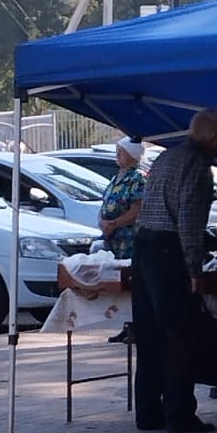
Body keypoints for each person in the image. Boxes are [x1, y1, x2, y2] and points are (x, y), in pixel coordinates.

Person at [131, 109, 217, 433]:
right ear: (215, 139)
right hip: (169, 251)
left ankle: (147, 411)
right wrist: (194, 267)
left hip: (143, 246)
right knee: (177, 334)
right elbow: (188, 218)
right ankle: (179, 413)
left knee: (148, 333)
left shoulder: (165, 158)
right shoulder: (197, 167)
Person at [98, 138, 146, 344]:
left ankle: (137, 326)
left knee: (132, 282)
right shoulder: (116, 177)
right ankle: (125, 325)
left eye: (122, 151)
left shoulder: (137, 179)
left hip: (129, 239)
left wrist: (116, 223)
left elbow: (137, 209)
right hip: (113, 240)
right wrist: (103, 223)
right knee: (119, 283)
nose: (118, 155)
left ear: (133, 155)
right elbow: (105, 204)